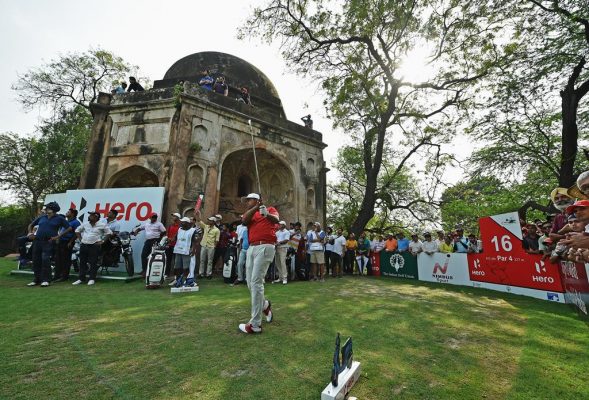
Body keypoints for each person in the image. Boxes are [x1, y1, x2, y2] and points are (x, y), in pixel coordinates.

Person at [238, 193, 278, 334]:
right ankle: (265, 305)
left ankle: (255, 325)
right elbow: (244, 221)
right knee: (250, 283)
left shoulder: (270, 209)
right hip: (252, 248)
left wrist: (266, 213)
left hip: (266, 246)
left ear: (255, 199)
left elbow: (276, 220)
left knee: (256, 282)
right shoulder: (251, 213)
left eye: (249, 200)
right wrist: (255, 208)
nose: (247, 202)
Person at [27, 202, 71, 287]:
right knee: (36, 260)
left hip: (48, 242)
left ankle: (46, 280)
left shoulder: (59, 219)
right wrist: (30, 233)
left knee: (45, 260)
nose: (45, 209)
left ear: (52, 209)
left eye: (47, 208)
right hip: (37, 241)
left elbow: (69, 228)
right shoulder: (42, 217)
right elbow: (31, 225)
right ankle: (36, 279)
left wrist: (58, 236)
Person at [72, 211, 112, 286]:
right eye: (90, 215)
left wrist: (103, 241)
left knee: (93, 262)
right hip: (84, 244)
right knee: (82, 262)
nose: (89, 217)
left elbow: (109, 233)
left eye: (91, 215)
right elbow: (77, 230)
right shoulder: (85, 224)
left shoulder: (102, 225)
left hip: (94, 245)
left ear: (96, 217)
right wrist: (80, 239)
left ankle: (91, 279)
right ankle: (81, 278)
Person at [53, 208, 81, 282]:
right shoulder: (65, 221)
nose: (66, 213)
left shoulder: (76, 222)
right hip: (61, 241)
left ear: (72, 214)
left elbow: (76, 233)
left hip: (67, 242)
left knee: (65, 260)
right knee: (58, 259)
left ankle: (64, 276)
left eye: (68, 212)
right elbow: (61, 230)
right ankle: (57, 275)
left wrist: (71, 241)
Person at [172, 217, 199, 287]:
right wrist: (169, 240)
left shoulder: (193, 230)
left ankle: (186, 281)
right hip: (178, 250)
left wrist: (193, 250)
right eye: (182, 222)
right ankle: (178, 280)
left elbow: (195, 241)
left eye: (183, 222)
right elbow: (175, 238)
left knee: (186, 268)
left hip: (186, 251)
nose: (182, 223)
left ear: (187, 223)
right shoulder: (179, 229)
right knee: (177, 267)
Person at [195, 214, 220, 279]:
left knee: (210, 261)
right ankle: (201, 273)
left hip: (211, 246)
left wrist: (214, 246)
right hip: (204, 245)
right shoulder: (206, 226)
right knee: (202, 260)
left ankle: (208, 274)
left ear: (213, 222)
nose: (208, 221)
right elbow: (199, 221)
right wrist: (197, 215)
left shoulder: (217, 230)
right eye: (208, 220)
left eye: (210, 220)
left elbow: (217, 240)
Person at [166, 213, 181, 282]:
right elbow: (167, 234)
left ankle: (175, 275)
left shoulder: (180, 226)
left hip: (177, 246)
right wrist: (168, 239)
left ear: (178, 218)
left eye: (174, 216)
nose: (173, 217)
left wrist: (174, 238)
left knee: (176, 261)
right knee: (168, 260)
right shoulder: (170, 225)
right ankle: (167, 274)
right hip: (169, 245)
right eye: (173, 216)